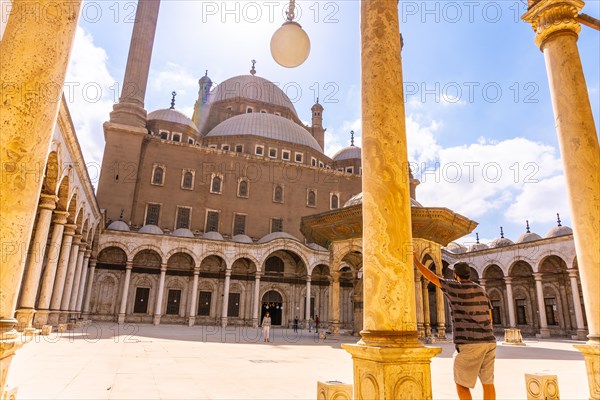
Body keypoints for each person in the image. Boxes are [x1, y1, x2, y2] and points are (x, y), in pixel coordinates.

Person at [414, 256, 497, 400]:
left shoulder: (454, 286)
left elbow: (431, 277)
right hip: (489, 341)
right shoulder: (481, 290)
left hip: (469, 344)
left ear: (455, 275)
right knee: (488, 382)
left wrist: (415, 261)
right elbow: (490, 318)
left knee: (461, 383)